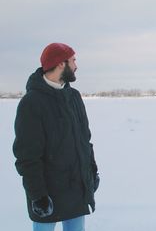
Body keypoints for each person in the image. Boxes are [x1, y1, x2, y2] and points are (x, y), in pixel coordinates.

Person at [13, 43, 100, 231]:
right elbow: (27, 156)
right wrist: (38, 195)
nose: (76, 65)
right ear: (61, 64)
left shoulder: (74, 97)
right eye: (73, 60)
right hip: (48, 192)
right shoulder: (32, 103)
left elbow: (84, 140)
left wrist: (91, 171)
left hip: (76, 188)